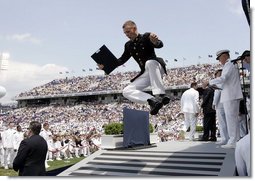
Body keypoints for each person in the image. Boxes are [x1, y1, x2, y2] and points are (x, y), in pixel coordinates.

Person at [98, 20, 169, 115]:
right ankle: (152, 101)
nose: (126, 35)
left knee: (150, 62)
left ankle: (159, 95)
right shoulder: (128, 45)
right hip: (146, 73)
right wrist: (105, 66)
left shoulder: (146, 36)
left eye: (128, 32)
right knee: (126, 91)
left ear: (134, 28)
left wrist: (156, 42)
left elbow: (159, 44)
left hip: (156, 67)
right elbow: (121, 60)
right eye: (125, 33)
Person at [209, 50, 243, 149]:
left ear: (224, 56)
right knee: (231, 119)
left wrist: (209, 82)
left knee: (231, 119)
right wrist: (217, 87)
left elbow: (223, 78)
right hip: (229, 95)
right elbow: (226, 82)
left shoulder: (229, 64)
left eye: (220, 59)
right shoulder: (230, 65)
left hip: (231, 95)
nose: (220, 61)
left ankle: (233, 141)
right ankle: (233, 140)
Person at [212, 69, 229, 145]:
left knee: (222, 123)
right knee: (227, 122)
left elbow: (217, 94)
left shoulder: (218, 83)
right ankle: (228, 139)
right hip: (226, 103)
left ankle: (224, 139)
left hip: (220, 104)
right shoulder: (225, 82)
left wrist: (214, 103)